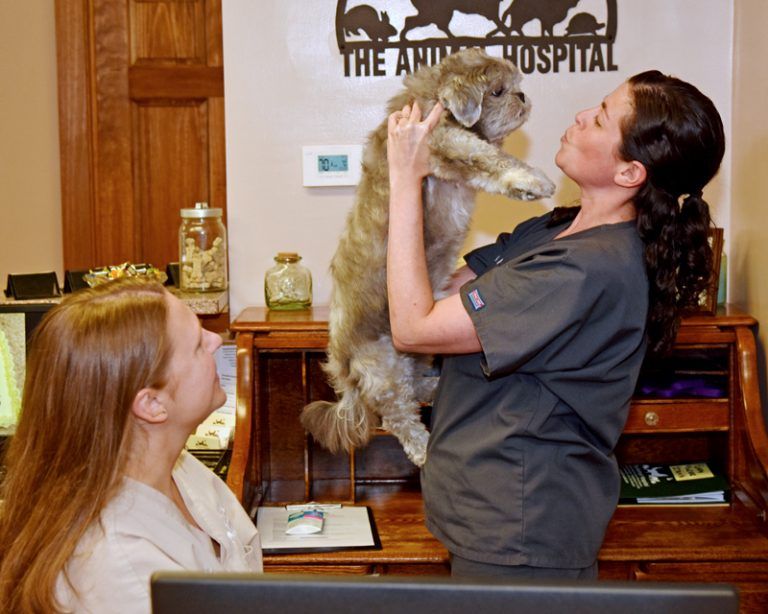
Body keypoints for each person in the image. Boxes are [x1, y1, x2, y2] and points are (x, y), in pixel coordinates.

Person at [386, 71, 724, 579]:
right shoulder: (553, 229)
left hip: (522, 531)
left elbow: (414, 326)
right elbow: (437, 289)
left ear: (631, 173)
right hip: (485, 514)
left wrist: (403, 180)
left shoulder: (586, 269)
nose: (581, 115)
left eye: (602, 117)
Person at [0, 279, 263, 612]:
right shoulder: (119, 568)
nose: (215, 340)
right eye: (197, 343)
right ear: (152, 404)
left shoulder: (181, 471)